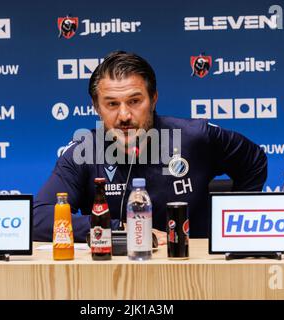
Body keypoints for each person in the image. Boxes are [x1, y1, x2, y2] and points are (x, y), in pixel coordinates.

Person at [33, 51, 267, 244]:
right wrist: (122, 228)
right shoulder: (83, 153)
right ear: (96, 107)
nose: (124, 116)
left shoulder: (195, 137)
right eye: (112, 104)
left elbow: (254, 162)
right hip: (113, 277)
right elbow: (38, 217)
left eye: (135, 101)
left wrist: (233, 228)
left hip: (194, 269)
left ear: (153, 99)